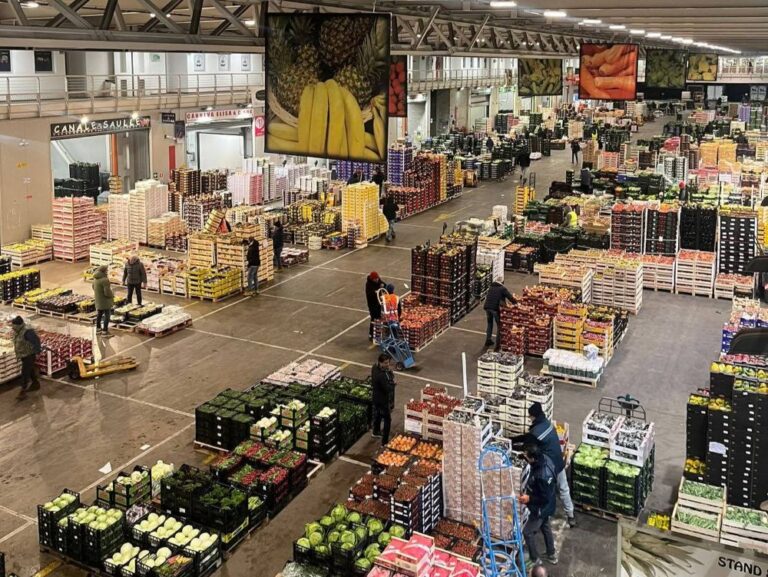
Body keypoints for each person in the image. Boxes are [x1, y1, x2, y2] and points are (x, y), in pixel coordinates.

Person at [514, 402, 576, 528]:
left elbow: (527, 445)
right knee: (564, 488)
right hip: (558, 461)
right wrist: (514, 439)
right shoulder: (546, 423)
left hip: (549, 466)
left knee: (545, 491)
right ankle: (571, 515)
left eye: (530, 416)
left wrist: (512, 443)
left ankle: (544, 515)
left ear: (533, 416)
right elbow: (528, 437)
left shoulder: (536, 432)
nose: (530, 418)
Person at [519, 441, 558, 566]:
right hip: (550, 503)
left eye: (527, 456)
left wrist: (529, 498)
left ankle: (535, 560)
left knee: (527, 532)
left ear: (533, 458)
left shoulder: (541, 476)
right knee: (545, 525)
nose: (525, 458)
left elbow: (543, 498)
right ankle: (551, 554)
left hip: (542, 507)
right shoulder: (545, 458)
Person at [11, 316, 41, 398]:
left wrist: (38, 351)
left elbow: (36, 341)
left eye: (13, 325)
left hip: (29, 354)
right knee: (30, 369)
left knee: (25, 372)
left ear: (18, 325)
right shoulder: (17, 331)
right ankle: (35, 384)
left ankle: (22, 391)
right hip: (23, 354)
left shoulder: (28, 331)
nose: (12, 327)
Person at [371, 353, 396, 444]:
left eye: (388, 362)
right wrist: (393, 383)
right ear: (380, 362)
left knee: (378, 414)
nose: (387, 364)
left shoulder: (374, 367)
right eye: (385, 363)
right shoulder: (381, 375)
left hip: (375, 397)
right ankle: (384, 442)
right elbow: (388, 388)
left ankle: (375, 431)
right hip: (383, 400)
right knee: (387, 420)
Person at [483, 276, 514, 348]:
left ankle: (488, 340)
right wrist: (516, 303)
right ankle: (498, 344)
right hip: (495, 309)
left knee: (490, 324)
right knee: (499, 325)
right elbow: (510, 297)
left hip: (487, 307)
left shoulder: (491, 287)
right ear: (502, 282)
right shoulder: (502, 288)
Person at [92, 265, 114, 337]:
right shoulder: (105, 280)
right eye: (107, 270)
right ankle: (105, 331)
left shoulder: (95, 278)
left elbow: (93, 287)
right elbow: (107, 292)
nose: (107, 271)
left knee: (99, 314)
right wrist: (112, 295)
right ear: (104, 271)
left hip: (98, 299)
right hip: (105, 301)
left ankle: (98, 329)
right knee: (107, 315)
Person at [365, 271, 385, 341]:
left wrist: (383, 285)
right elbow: (369, 295)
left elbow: (383, 284)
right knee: (373, 318)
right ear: (372, 279)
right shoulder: (368, 284)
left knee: (380, 317)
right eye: (375, 279)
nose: (377, 280)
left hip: (379, 303)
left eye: (377, 278)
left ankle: (378, 333)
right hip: (372, 305)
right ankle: (371, 334)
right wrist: (375, 292)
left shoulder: (378, 280)